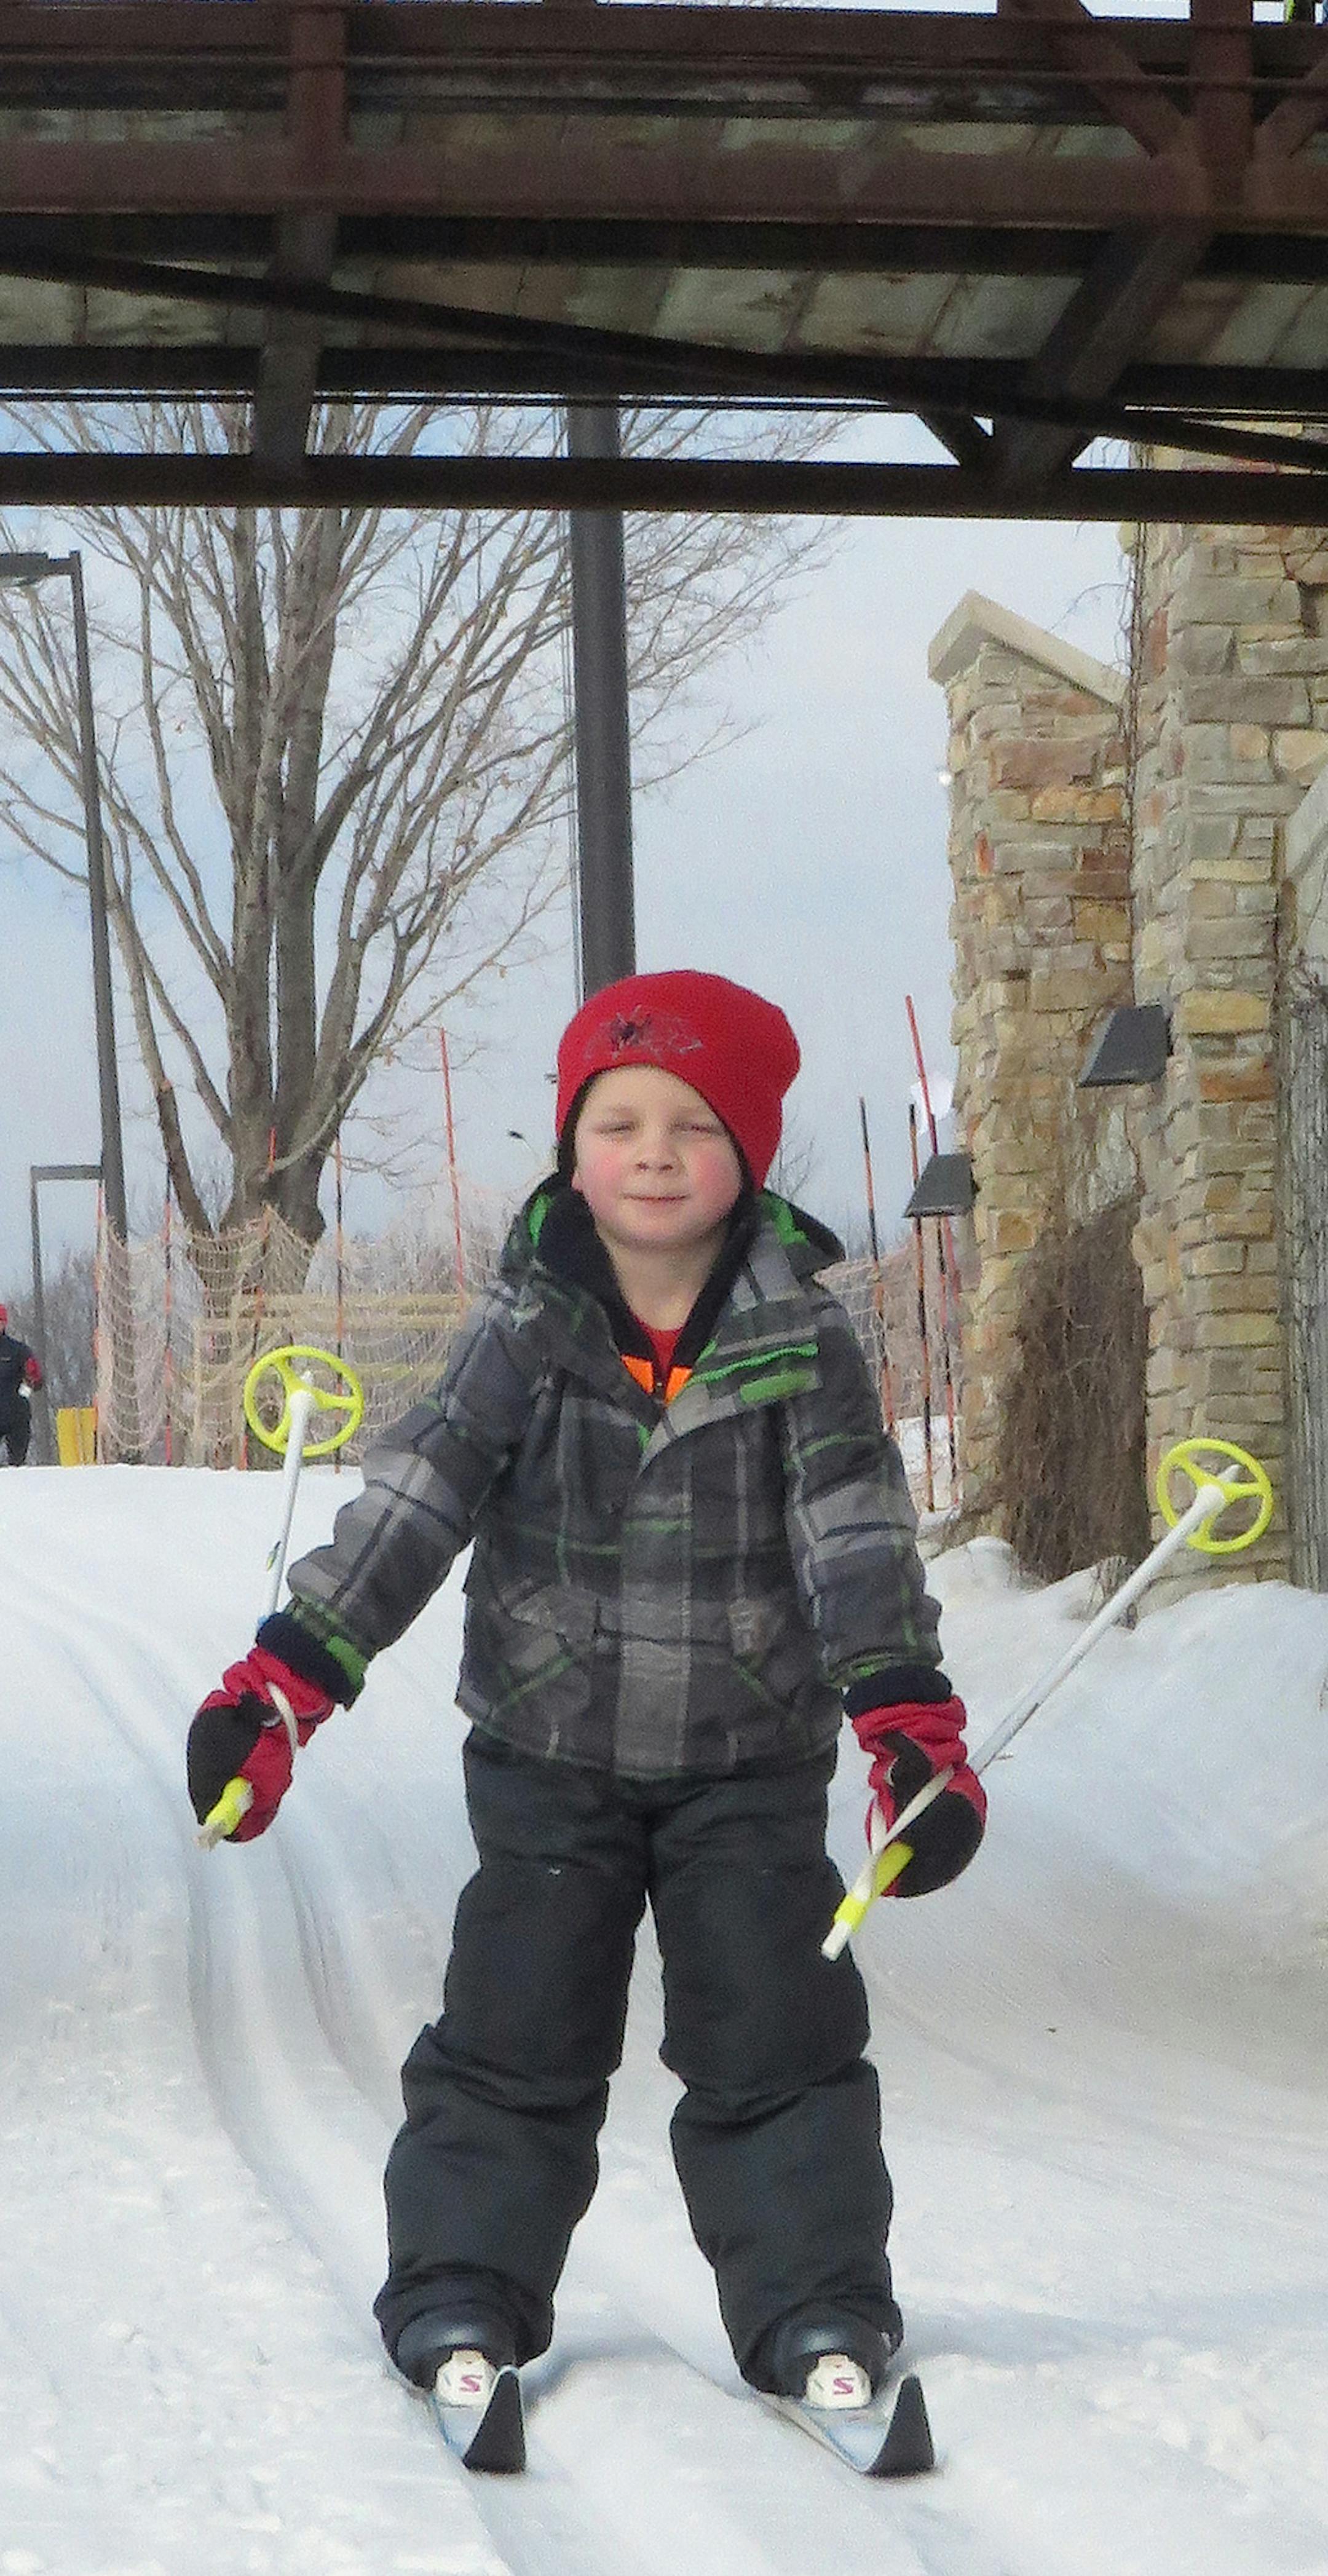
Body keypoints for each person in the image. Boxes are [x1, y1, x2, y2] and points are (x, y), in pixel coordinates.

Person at [186, 970, 986, 2419]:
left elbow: (852, 1535)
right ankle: (459, 2292)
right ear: (572, 1149)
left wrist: (904, 1720)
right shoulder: (526, 1323)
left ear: (747, 1150)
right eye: (617, 1121)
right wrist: (289, 1677)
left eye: (692, 1122)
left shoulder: (800, 1335)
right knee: (515, 2033)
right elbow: (420, 1497)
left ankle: (814, 2303)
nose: (655, 1151)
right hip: (547, 1749)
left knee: (779, 2038)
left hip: (746, 1758)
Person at [0, 1305, 43, 1465]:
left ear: (4, 1324)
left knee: (17, 1464)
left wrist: (33, 1378)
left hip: (16, 1415)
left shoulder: (18, 1351)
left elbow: (36, 1384)